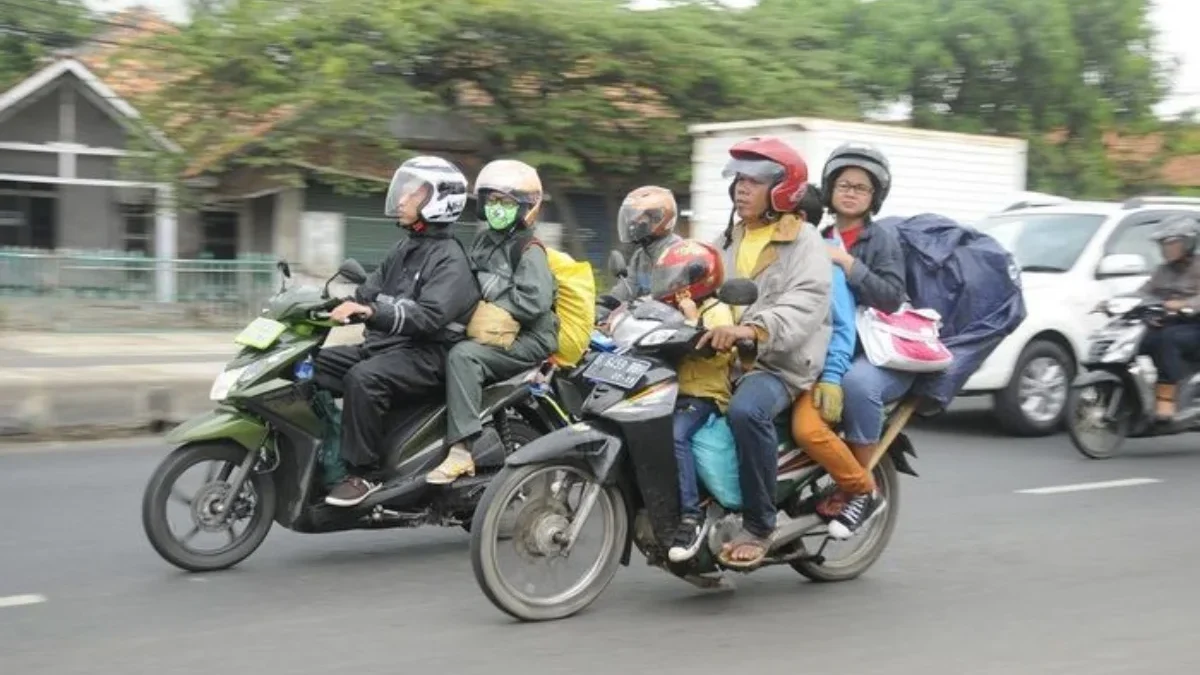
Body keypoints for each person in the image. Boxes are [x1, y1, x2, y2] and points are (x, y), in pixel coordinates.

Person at [696, 136, 832, 569]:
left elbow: (805, 303)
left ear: (782, 189)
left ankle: (759, 523)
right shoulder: (726, 238)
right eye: (738, 178)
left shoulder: (804, 241)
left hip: (779, 364)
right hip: (725, 359)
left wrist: (753, 329)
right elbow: (693, 280)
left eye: (754, 180)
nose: (741, 187)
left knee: (745, 412)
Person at [318, 156, 480, 507]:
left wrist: (372, 312)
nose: (402, 199)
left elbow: (428, 316)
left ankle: (364, 475)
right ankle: (324, 452)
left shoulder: (450, 259)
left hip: (430, 355)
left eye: (414, 193)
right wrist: (326, 305)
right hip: (390, 349)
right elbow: (367, 293)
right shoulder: (404, 248)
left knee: (364, 378)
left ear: (440, 200)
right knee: (311, 365)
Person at [426, 159, 558, 484]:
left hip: (529, 338)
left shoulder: (529, 250)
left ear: (527, 207)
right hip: (494, 332)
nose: (498, 208)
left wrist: (492, 307)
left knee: (463, 357)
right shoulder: (484, 242)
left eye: (507, 202)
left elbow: (534, 301)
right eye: (493, 201)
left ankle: (462, 450)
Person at [819, 143, 913, 530]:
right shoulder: (817, 233)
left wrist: (849, 264)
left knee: (857, 386)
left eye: (861, 187)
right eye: (844, 184)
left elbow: (891, 297)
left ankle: (860, 489)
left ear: (874, 197)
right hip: (821, 342)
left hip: (871, 352)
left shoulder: (882, 240)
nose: (851, 192)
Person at [789, 185, 884, 538]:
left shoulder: (826, 261)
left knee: (808, 430)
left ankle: (863, 489)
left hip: (811, 370)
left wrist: (831, 376)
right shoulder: (760, 251)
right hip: (769, 367)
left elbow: (843, 328)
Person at [641, 239, 736, 563]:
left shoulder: (717, 310)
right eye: (669, 278)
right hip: (670, 392)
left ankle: (691, 516)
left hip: (704, 396)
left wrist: (691, 317)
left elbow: (720, 351)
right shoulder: (670, 309)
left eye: (679, 279)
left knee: (675, 435)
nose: (673, 286)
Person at [1137, 215, 1200, 419]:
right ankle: (1133, 391)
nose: (1166, 248)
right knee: (1138, 339)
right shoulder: (1162, 271)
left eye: (1172, 243)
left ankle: (1166, 399)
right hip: (1170, 323)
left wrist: (1185, 304)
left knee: (1167, 340)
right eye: (1163, 244)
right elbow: (1144, 292)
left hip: (1194, 326)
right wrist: (1113, 302)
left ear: (1188, 242)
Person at [609, 186, 683, 303]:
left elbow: (670, 296)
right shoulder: (640, 255)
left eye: (640, 217)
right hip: (648, 316)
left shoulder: (677, 253)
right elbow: (627, 290)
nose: (632, 223)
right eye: (631, 218)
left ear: (658, 218)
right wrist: (604, 306)